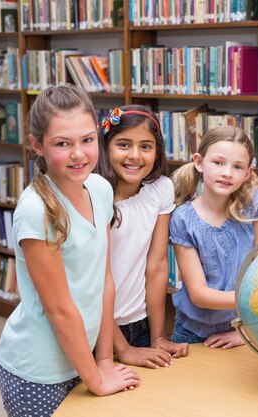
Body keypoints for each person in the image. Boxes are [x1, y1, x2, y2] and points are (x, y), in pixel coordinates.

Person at [0, 85, 140, 417]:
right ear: (37, 145)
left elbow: (104, 280)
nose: (79, 154)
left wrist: (103, 361)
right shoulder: (37, 211)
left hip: (84, 360)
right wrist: (97, 379)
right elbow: (60, 310)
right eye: (63, 143)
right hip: (37, 374)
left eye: (87, 140)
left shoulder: (101, 189)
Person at [95, 105, 189, 369]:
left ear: (157, 151)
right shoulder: (92, 195)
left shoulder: (160, 189)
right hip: (97, 330)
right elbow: (93, 282)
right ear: (105, 147)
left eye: (146, 146)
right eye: (124, 144)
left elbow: (157, 266)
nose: (135, 156)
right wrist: (122, 349)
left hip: (140, 324)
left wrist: (157, 336)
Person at [170, 126, 258, 349]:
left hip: (245, 330)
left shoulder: (254, 205)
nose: (227, 173)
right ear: (199, 162)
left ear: (248, 174)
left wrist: (246, 330)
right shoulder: (183, 219)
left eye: (237, 167)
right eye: (218, 162)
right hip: (192, 335)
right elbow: (199, 295)